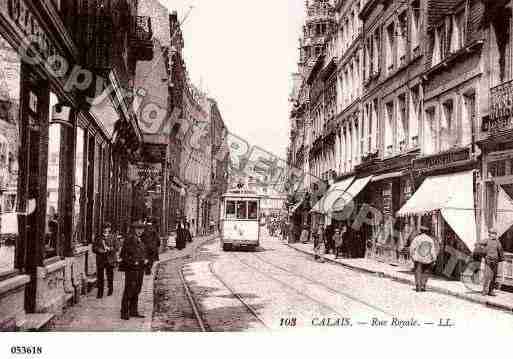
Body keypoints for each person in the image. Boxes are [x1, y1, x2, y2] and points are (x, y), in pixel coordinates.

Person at [119, 220, 148, 320]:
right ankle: (124, 312)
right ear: (134, 229)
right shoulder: (129, 239)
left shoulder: (141, 239)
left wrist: (144, 259)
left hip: (140, 268)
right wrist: (132, 261)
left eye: (142, 229)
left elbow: (142, 252)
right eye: (138, 229)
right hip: (131, 268)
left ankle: (133, 311)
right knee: (129, 289)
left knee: (137, 289)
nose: (140, 231)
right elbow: (123, 255)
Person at [94, 223, 119, 298]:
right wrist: (99, 250)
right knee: (100, 277)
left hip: (110, 259)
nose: (105, 229)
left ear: (110, 229)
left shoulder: (113, 237)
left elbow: (117, 247)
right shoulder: (98, 237)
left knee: (110, 276)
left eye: (107, 228)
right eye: (104, 228)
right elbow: (94, 248)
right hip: (101, 259)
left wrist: (110, 249)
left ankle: (110, 289)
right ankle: (100, 293)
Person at [410, 226, 435, 292]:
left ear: (420, 231)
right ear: (427, 232)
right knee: (426, 272)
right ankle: (423, 285)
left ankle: (418, 286)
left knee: (418, 272)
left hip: (418, 258)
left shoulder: (417, 238)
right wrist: (434, 259)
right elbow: (432, 251)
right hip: (427, 259)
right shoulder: (430, 239)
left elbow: (412, 248)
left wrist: (412, 256)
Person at [482, 228, 505, 296]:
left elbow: (500, 250)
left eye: (494, 234)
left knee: (494, 276)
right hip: (488, 261)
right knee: (487, 276)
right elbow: (479, 245)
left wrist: (501, 259)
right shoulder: (486, 241)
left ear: (495, 235)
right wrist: (484, 255)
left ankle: (491, 291)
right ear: (489, 234)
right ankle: (484, 291)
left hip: (495, 261)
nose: (493, 235)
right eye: (491, 233)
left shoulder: (498, 242)